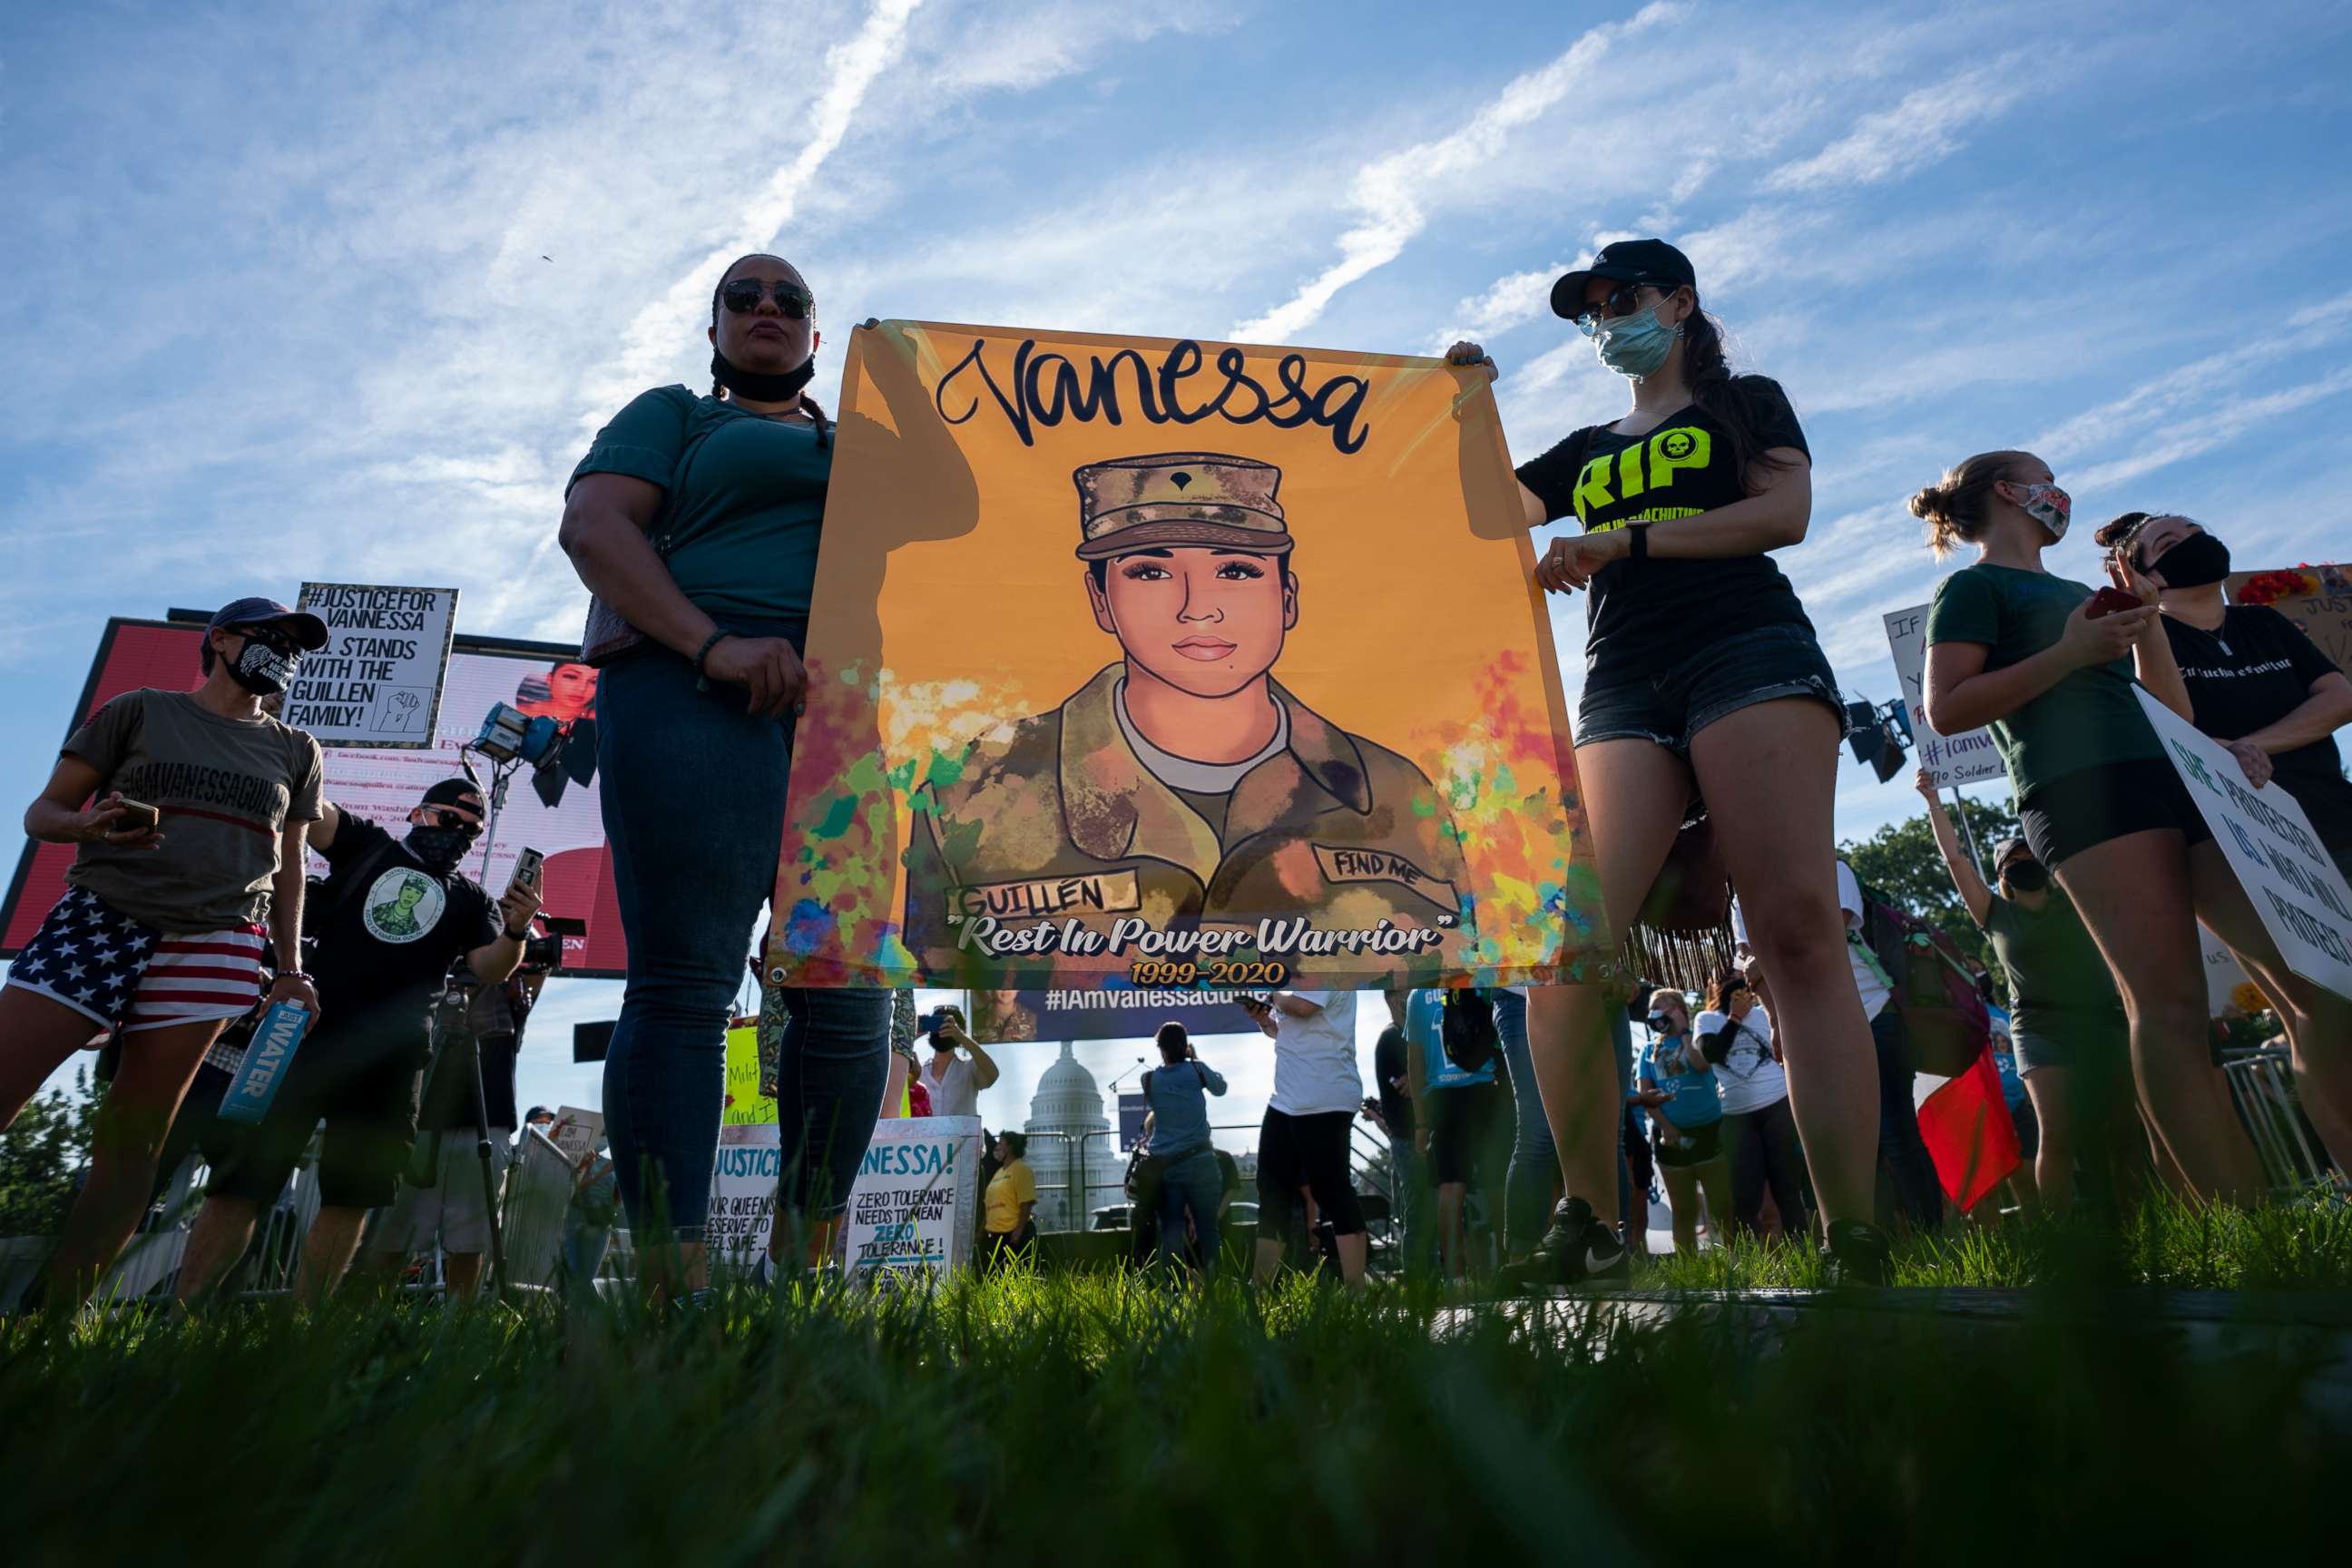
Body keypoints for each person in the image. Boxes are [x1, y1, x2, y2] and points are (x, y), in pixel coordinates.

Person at [1449, 238, 1890, 1286]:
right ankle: (1592, 1223)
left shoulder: (1747, 405)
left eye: (1624, 297)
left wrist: (1628, 540)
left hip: (1750, 655)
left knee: (1793, 933)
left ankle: (1852, 1231)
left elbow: (1784, 515)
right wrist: (1469, 405)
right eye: (1590, 308)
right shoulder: (1585, 444)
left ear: (1680, 302)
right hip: (1620, 686)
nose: (1606, 319)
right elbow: (1482, 518)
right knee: (1567, 955)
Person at [561, 252, 895, 1296]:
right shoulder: (675, 415)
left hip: (843, 722)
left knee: (848, 992)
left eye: (789, 300)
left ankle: (801, 1269)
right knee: (686, 984)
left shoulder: (869, 449)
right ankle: (676, 1280)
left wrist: (918, 385)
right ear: (712, 327)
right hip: (690, 693)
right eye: (742, 296)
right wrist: (711, 646)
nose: (765, 308)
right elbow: (595, 525)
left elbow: (996, 501)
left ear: (815, 335)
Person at [903, 451, 1472, 976]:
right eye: (1150, 572)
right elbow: (926, 974)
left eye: (1238, 571)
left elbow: (1460, 966)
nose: (1199, 608)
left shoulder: (1396, 795)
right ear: (1100, 600)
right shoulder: (975, 790)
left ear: (1288, 597)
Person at [1916, 452, 2265, 1201]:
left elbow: (2176, 714)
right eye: (2043, 477)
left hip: (2169, 779)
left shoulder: (2081, 589)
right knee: (2165, 1003)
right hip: (2080, 793)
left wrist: (2146, 624)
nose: (2059, 492)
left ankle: (2252, 1206)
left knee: (2267, 979)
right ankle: (2236, 1220)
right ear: (2012, 493)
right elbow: (1947, 709)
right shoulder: (1972, 587)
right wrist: (2071, 651)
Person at [0, 597, 327, 1306]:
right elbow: (43, 813)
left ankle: (53, 1319)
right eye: (269, 637)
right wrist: (94, 828)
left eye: (294, 645)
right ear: (219, 640)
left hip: (216, 944)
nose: (282, 653)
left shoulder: (296, 749)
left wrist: (290, 968)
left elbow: (291, 862)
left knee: (134, 1141)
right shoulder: (140, 709)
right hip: (100, 921)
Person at [175, 779, 542, 1303]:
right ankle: (184, 1314)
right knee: (243, 1181)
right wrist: (286, 755)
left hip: (394, 1061)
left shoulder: (471, 899)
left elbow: (489, 967)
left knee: (352, 1197)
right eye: (450, 821)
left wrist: (517, 930)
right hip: (308, 1037)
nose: (460, 836)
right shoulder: (369, 846)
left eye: (473, 831)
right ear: (418, 813)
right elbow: (310, 810)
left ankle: (306, 1331)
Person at [2097, 511, 2352, 1174]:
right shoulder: (2147, 641)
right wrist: (2148, 623)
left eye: (2193, 530)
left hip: (2331, 815)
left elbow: (2338, 695)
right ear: (2144, 574)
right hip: (2234, 841)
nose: (2191, 543)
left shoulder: (2264, 624)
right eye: (2168, 544)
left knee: (2322, 1014)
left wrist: (2252, 747)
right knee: (2316, 1000)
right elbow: (2173, 723)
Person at [1917, 772, 2134, 1213]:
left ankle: (2141, 1218)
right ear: (2002, 876)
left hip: (2098, 1018)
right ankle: (2059, 1236)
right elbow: (1957, 861)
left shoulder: (2074, 900)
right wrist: (1933, 801)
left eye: (2029, 855)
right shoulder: (1994, 913)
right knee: (2056, 1133)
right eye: (2013, 859)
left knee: (2123, 1125)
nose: (2024, 862)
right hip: (2038, 1027)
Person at [366, 966, 545, 1296]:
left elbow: (536, 968)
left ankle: (459, 1330)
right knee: (392, 1234)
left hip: (485, 1123)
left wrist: (518, 937)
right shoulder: (433, 980)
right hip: (417, 1120)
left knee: (469, 1243)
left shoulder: (509, 993)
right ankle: (361, 1324)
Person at [1249, 990, 1368, 1288]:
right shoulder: (1298, 974)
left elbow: (1303, 1007)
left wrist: (1273, 995)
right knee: (1272, 1190)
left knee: (1332, 1191)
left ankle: (1356, 1290)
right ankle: (1261, 1288)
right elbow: (1290, 1030)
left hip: (1324, 1095)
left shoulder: (1327, 959)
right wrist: (1265, 1022)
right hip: (1287, 1099)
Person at [1694, 971, 1808, 1241]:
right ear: (1713, 986)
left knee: (1788, 1189)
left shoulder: (1763, 1013)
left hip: (1777, 1106)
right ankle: (1752, 1264)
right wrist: (1734, 1018)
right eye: (1723, 979)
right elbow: (1711, 1053)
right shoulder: (1706, 1019)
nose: (1731, 982)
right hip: (1737, 1116)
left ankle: (1805, 1255)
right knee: (1745, 1196)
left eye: (1735, 976)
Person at [1405, 989, 1504, 1279]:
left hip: (1442, 1097)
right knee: (1496, 1183)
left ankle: (1455, 1278)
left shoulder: (1417, 996)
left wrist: (1421, 1122)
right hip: (1484, 1089)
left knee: (1450, 1186)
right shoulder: (1476, 979)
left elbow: (1414, 1063)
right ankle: (1511, 1264)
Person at [1639, 990, 1733, 1255]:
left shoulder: (1695, 1040)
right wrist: (1667, 1127)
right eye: (1652, 1009)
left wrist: (1684, 1030)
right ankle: (1688, 1273)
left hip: (1709, 1131)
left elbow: (1702, 1066)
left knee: (1722, 1207)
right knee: (1684, 1210)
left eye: (1662, 1007)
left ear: (1679, 1009)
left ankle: (1738, 1263)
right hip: (1671, 1138)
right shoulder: (1649, 1051)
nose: (1655, 1013)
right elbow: (1646, 1096)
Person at [1141, 1022, 1228, 1279]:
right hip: (1201, 1161)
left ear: (1160, 1049)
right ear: (1185, 1046)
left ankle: (1173, 1295)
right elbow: (1221, 1089)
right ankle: (1215, 1288)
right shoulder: (1196, 1070)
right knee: (1208, 1229)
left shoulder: (1148, 1079)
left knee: (1171, 1231)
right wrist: (1195, 1058)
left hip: (1166, 1167)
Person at [1491, 988, 1560, 1263]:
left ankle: (1603, 1251)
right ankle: (1519, 1261)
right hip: (1518, 990)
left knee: (1595, 1131)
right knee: (1538, 1130)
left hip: (1579, 992)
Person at [1372, 995, 1429, 1273]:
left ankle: (1431, 1281)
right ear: (1393, 998)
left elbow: (1415, 1082)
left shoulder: (1410, 1035)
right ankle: (1420, 1284)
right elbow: (1408, 1088)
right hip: (1407, 1139)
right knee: (1418, 1214)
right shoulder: (1392, 1038)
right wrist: (1431, 1073)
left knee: (1425, 1212)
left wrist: (1420, 1075)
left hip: (1418, 1136)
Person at [917, 1004, 998, 1121]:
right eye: (937, 1024)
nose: (942, 1030)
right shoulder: (918, 1072)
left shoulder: (969, 1068)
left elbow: (992, 1076)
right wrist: (913, 1035)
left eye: (949, 1026)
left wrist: (962, 1038)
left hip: (962, 1139)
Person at [982, 1131, 1036, 1272]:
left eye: (1001, 1143)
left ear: (1010, 1148)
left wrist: (1019, 1230)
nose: (997, 1147)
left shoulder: (1021, 1170)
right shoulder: (999, 1173)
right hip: (998, 1235)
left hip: (1015, 1235)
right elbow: (990, 1205)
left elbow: (1026, 1202)